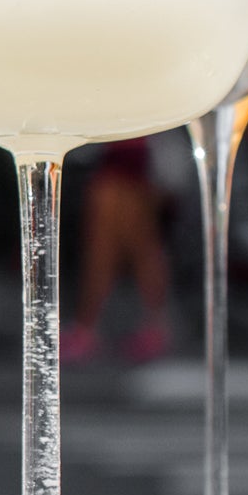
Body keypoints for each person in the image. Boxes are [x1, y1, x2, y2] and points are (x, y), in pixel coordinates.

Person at [66, 137, 172, 364]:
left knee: (114, 248)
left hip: (129, 155)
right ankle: (151, 325)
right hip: (124, 156)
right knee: (131, 246)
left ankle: (88, 326)